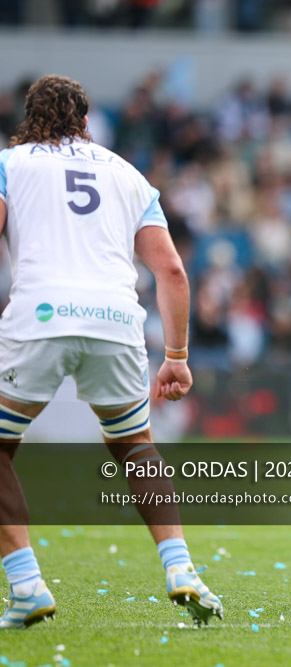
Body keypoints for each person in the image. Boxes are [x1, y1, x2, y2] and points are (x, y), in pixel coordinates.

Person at [0, 75, 222, 628]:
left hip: (41, 316)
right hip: (119, 321)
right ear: (86, 118)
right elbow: (170, 269)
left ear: (28, 116)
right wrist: (176, 355)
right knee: (134, 446)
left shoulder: (11, 163)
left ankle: (26, 584)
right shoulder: (128, 173)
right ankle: (181, 568)